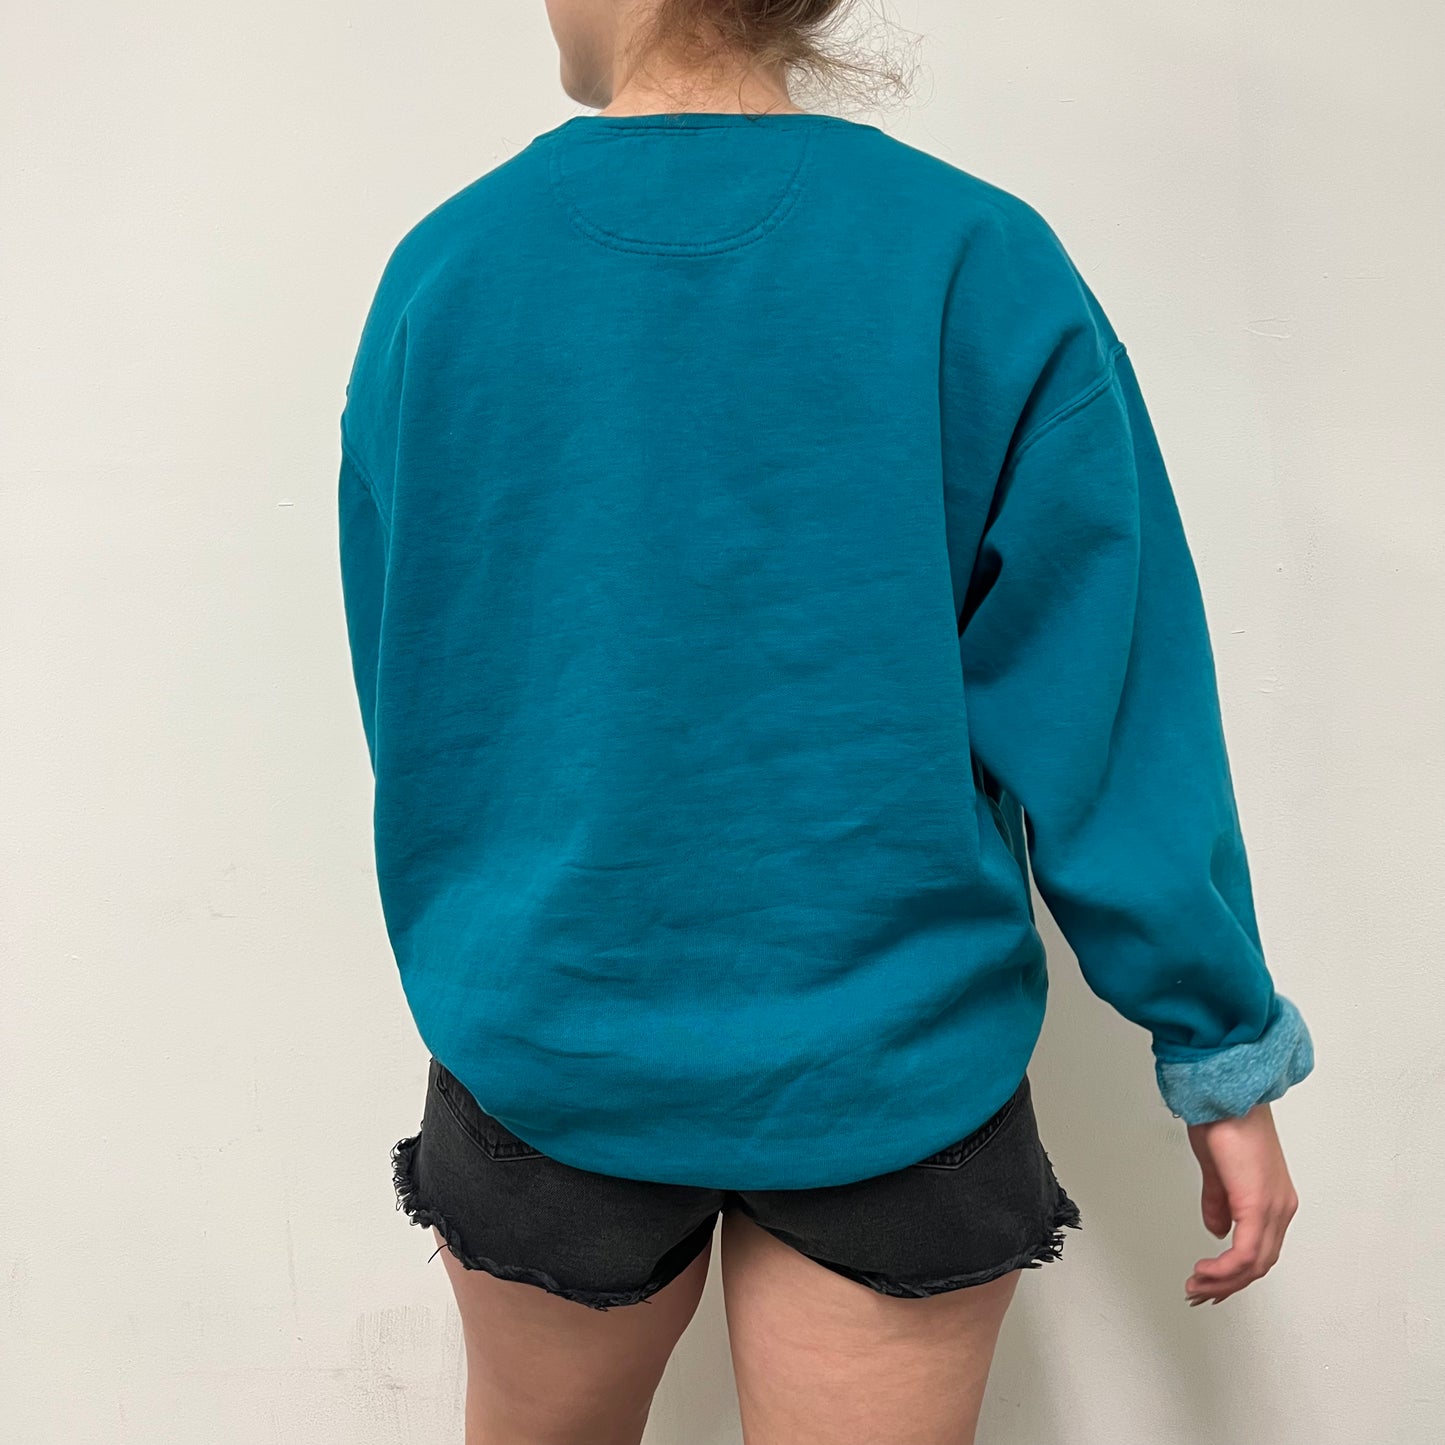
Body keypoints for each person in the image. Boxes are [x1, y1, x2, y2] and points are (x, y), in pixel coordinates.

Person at [336, 1, 1315, 1440]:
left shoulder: (451, 269)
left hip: (554, 1040)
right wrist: (1215, 1043)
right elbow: (1107, 703)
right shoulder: (974, 257)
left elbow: (423, 692)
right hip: (894, 1051)